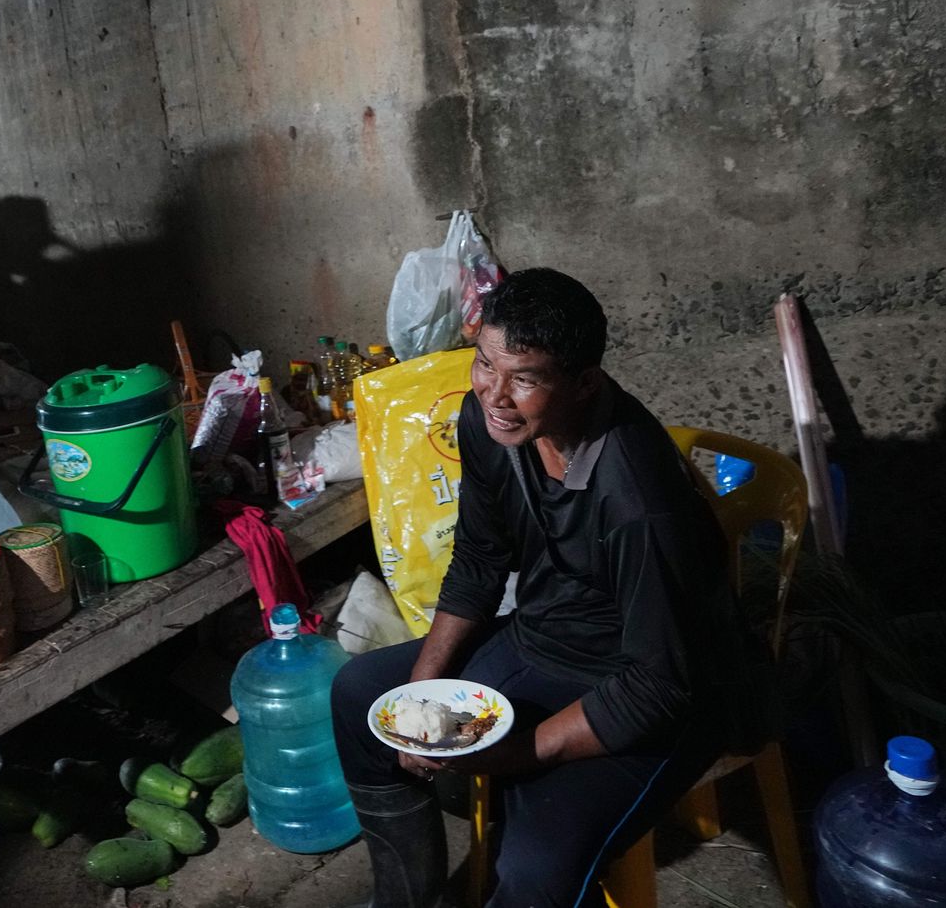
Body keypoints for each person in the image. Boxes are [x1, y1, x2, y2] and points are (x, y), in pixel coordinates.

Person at [329, 269, 773, 908]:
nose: (495, 395)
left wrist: (517, 753)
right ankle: (408, 899)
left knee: (537, 867)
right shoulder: (491, 421)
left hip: (654, 690)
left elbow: (660, 686)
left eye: (525, 380)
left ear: (585, 384)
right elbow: (480, 559)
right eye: (486, 364)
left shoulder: (637, 501)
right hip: (542, 640)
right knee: (360, 695)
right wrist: (417, 698)